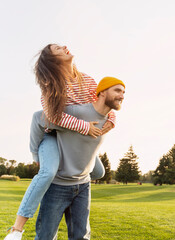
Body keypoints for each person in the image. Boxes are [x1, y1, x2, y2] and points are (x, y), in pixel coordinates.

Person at [5, 44, 115, 240]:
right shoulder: (51, 86)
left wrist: (112, 119)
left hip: (76, 139)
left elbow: (103, 102)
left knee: (99, 172)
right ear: (52, 60)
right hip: (53, 136)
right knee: (48, 171)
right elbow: (52, 117)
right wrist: (85, 127)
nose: (65, 46)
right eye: (57, 48)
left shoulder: (87, 80)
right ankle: (17, 229)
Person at [32, 76, 125, 239]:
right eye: (117, 90)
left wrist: (113, 118)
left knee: (81, 236)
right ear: (102, 92)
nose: (122, 96)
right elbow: (38, 118)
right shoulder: (76, 111)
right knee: (45, 236)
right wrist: (36, 155)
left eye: (124, 92)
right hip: (57, 186)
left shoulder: (109, 122)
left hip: (83, 186)